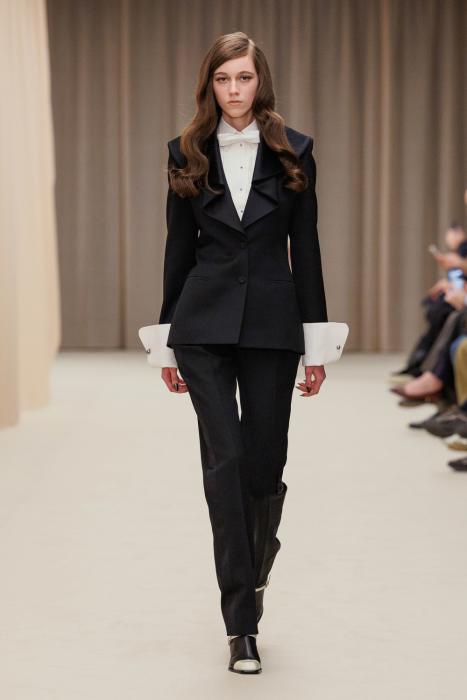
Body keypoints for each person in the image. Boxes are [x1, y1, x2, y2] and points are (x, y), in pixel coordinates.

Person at [143, 31, 349, 674]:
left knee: (263, 466)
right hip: (202, 326)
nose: (234, 89)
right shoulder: (184, 152)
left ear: (261, 82)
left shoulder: (296, 151)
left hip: (271, 324)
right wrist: (167, 342)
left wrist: (315, 345)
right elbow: (177, 250)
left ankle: (255, 569)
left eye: (244, 77)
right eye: (223, 78)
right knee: (225, 462)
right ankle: (241, 623)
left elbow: (306, 249)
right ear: (209, 84)